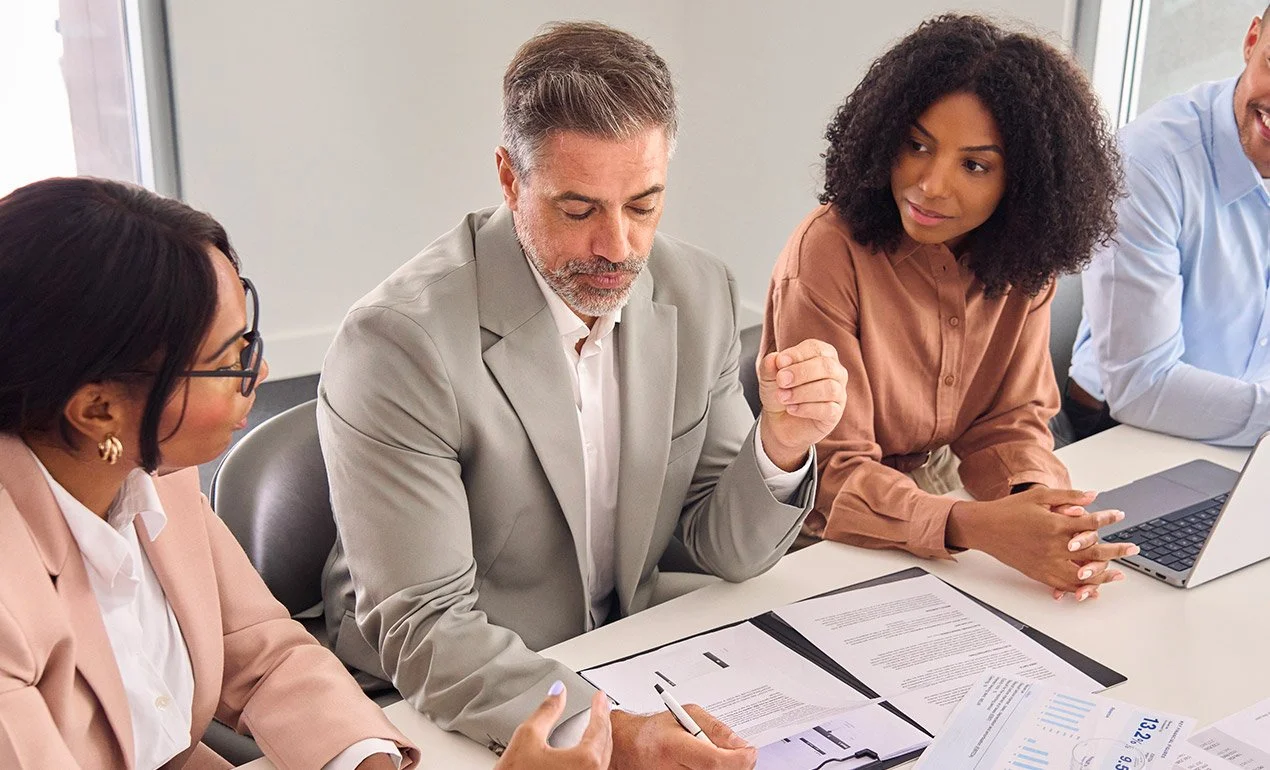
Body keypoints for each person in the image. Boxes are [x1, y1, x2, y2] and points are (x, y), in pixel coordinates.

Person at [318, 20, 847, 768]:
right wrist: (615, 733)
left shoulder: (699, 292)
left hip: (621, 651)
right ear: (509, 178)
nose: (620, 248)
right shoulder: (398, 342)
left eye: (643, 204)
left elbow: (719, 546)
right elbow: (427, 630)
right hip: (433, 702)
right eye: (578, 210)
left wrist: (782, 444)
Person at [0, 177, 612, 770]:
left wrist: (368, 761)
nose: (259, 374)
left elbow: (264, 654)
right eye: (228, 360)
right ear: (97, 410)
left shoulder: (150, 470)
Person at [761, 14, 1135, 601]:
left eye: (974, 165)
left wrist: (1035, 509)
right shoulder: (827, 251)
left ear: (1025, 181)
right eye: (916, 146)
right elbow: (830, 475)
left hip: (940, 507)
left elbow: (1009, 422)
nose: (930, 185)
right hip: (820, 538)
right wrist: (976, 527)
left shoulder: (1023, 258)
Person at [1067, 5, 1270, 446]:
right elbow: (1142, 386)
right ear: (1252, 41)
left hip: (1247, 431)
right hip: (1121, 426)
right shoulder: (1147, 161)